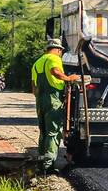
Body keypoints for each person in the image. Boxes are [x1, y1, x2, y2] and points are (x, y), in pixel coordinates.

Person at [32, 38, 80, 174]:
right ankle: (49, 167)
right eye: (61, 51)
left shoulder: (37, 63)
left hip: (40, 101)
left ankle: (41, 163)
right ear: (58, 50)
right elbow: (56, 72)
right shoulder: (54, 58)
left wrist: (41, 99)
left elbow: (33, 88)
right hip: (53, 99)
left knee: (43, 133)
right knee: (53, 133)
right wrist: (70, 78)